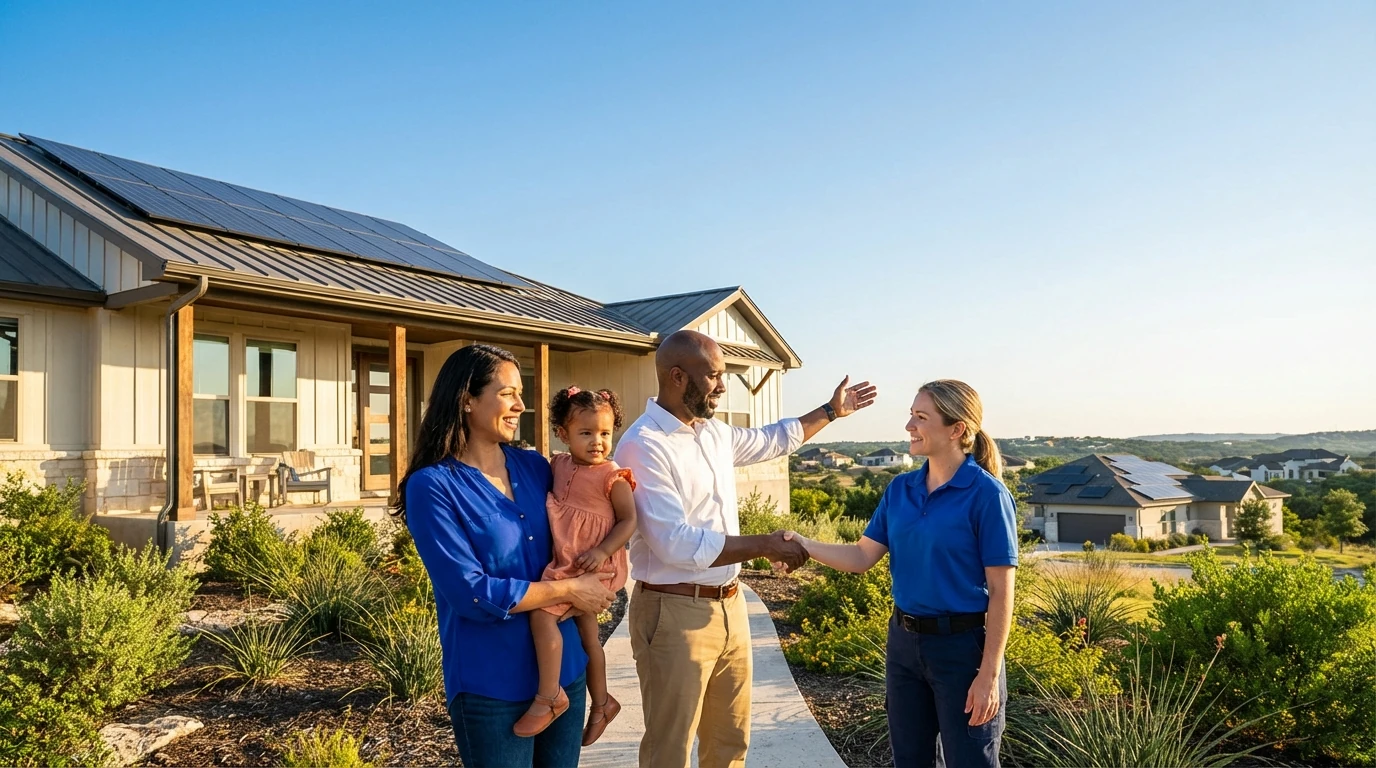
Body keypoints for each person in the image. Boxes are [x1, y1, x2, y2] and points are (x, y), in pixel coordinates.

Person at [614, 329, 877, 768]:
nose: (721, 386)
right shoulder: (643, 446)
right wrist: (765, 544)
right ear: (677, 377)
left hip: (730, 607)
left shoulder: (713, 433)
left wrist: (831, 411)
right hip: (673, 613)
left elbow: (775, 438)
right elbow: (676, 545)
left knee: (730, 744)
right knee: (669, 751)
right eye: (713, 376)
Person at [394, 344, 616, 768]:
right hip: (492, 683)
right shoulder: (432, 487)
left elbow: (593, 509)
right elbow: (470, 592)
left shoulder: (536, 467)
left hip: (566, 673)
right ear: (467, 399)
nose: (520, 404)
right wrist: (571, 588)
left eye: (520, 392)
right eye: (507, 393)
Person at [785, 379, 1018, 768]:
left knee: (970, 762)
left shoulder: (987, 495)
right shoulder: (900, 489)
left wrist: (989, 675)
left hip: (964, 650)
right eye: (911, 415)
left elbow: (1001, 591)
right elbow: (861, 556)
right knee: (909, 761)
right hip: (904, 646)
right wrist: (804, 544)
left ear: (956, 429)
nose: (909, 425)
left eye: (921, 417)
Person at [517, 386, 637, 746]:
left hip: (594, 566)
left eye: (605, 433)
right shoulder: (559, 464)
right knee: (589, 639)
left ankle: (550, 696)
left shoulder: (613, 476)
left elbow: (629, 521)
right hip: (571, 561)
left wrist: (602, 551)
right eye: (586, 433)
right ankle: (602, 704)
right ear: (562, 434)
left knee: (542, 615)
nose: (598, 442)